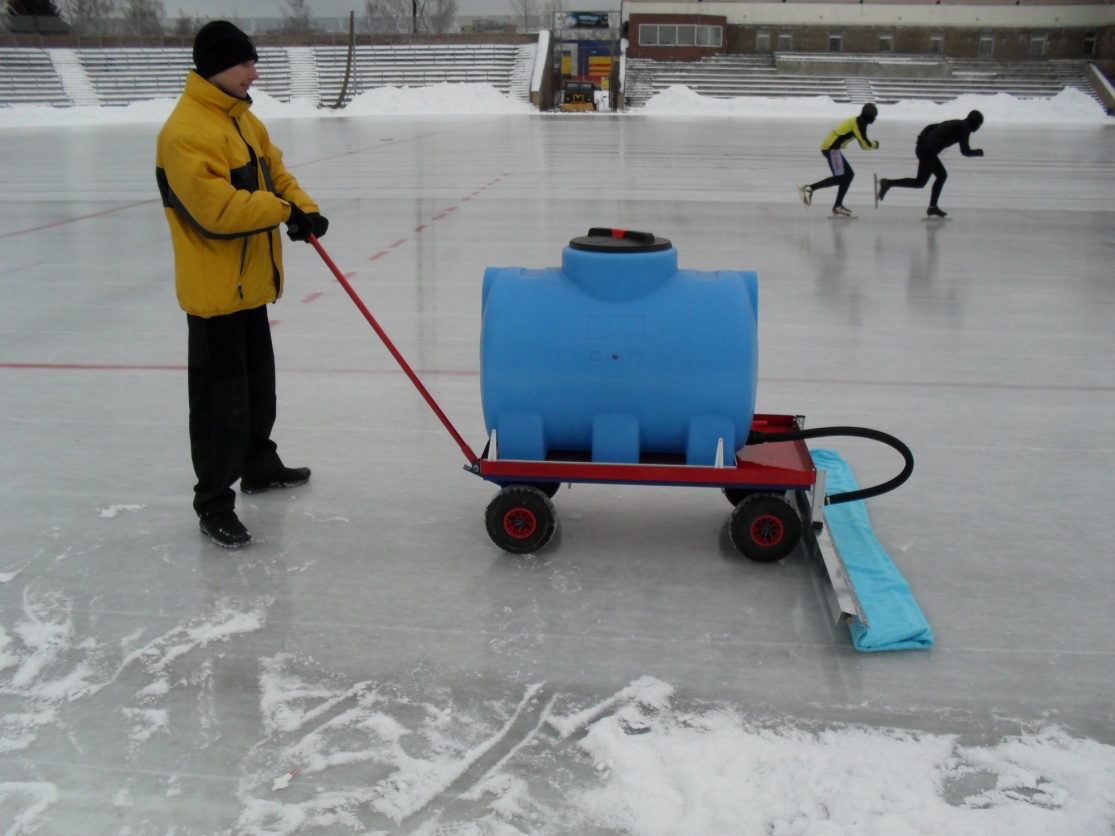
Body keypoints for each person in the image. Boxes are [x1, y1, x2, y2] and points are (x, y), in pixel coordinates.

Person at [156, 21, 328, 548]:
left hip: (250, 285)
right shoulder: (185, 132)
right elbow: (216, 211)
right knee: (218, 406)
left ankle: (258, 465)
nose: (254, 72)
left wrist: (306, 208)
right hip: (215, 296)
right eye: (246, 63)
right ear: (218, 67)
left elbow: (276, 172)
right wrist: (283, 211)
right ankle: (213, 502)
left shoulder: (242, 121)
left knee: (257, 390)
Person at [877, 110, 985, 218]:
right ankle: (888, 183)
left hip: (924, 149)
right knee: (920, 182)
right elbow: (965, 151)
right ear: (974, 122)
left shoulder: (957, 123)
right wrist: (978, 152)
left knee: (941, 175)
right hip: (928, 151)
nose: (978, 127)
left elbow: (931, 127)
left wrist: (921, 140)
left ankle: (933, 207)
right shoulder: (964, 128)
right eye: (979, 124)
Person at [799, 103, 880, 217]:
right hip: (832, 148)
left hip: (833, 148)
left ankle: (838, 206)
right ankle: (809, 188)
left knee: (849, 175)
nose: (875, 119)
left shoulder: (860, 121)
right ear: (870, 114)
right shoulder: (859, 122)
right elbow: (865, 145)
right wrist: (875, 144)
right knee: (840, 178)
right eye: (875, 116)